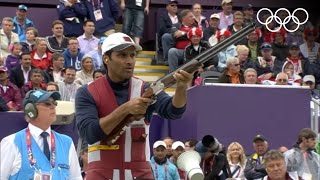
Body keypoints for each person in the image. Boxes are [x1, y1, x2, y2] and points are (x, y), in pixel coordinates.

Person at [75, 32, 193, 179]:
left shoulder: (145, 88)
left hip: (140, 174)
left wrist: (181, 87)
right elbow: (89, 134)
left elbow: (174, 112)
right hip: (101, 174)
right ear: (106, 58)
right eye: (122, 55)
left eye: (132, 55)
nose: (130, 61)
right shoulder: (86, 92)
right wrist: (125, 109)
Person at [0, 89, 82, 179]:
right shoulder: (11, 143)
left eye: (54, 103)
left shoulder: (67, 142)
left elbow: (76, 177)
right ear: (30, 110)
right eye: (47, 103)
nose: (53, 107)